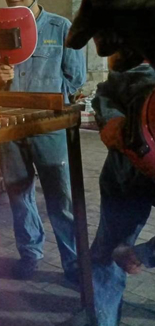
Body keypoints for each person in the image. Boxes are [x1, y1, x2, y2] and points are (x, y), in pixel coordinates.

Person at [0, 0, 86, 281]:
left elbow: (75, 78)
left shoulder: (60, 28)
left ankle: (73, 263)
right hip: (10, 127)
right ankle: (29, 254)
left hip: (48, 127)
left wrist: (49, 103)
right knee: (18, 194)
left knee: (60, 198)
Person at [89, 56, 155, 325]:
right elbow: (107, 91)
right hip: (123, 173)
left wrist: (141, 255)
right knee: (107, 253)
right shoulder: (138, 64)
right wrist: (113, 120)